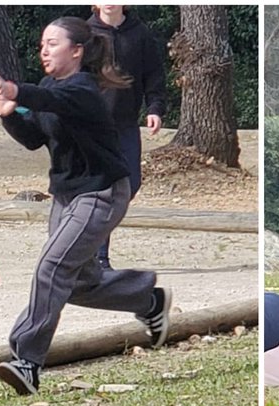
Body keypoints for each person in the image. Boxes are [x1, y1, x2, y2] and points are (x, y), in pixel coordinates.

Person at [0, 17, 169, 396]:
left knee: (51, 268)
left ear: (77, 51)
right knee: (76, 283)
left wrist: (18, 91)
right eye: (42, 44)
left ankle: (26, 360)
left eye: (52, 43)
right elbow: (35, 137)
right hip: (68, 195)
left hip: (102, 193)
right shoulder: (49, 87)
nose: (43, 50)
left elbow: (55, 101)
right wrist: (9, 115)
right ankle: (146, 297)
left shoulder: (85, 89)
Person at [87, 4, 167, 270]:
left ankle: (93, 241)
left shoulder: (140, 33)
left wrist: (154, 108)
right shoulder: (85, 33)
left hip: (126, 125)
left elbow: (154, 74)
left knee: (130, 184)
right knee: (103, 189)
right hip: (94, 126)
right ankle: (99, 256)